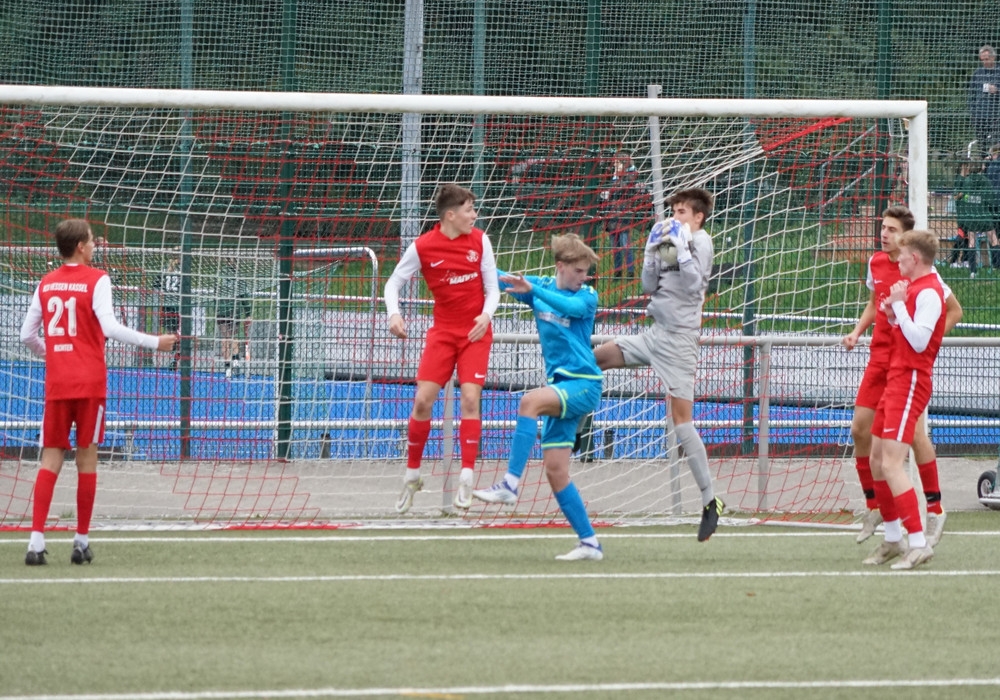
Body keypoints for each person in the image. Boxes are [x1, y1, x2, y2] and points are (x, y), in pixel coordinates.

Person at [19, 219, 177, 566]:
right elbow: (109, 327)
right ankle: (81, 541)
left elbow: (26, 336)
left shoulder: (46, 283)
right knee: (87, 458)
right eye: (91, 240)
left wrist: (54, 354)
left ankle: (35, 543)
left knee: (50, 458)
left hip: (58, 383)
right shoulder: (98, 279)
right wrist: (155, 342)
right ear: (80, 246)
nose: (95, 245)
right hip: (89, 383)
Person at [593, 187, 725, 541]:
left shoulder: (701, 242)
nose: (674, 217)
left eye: (681, 211)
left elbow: (695, 286)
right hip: (655, 334)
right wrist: (650, 254)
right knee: (594, 360)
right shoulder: (669, 240)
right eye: (673, 211)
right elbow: (648, 285)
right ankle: (576, 425)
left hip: (680, 343)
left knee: (682, 424)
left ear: (697, 217)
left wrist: (680, 249)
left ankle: (710, 502)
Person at [473, 234, 605, 561]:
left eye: (586, 271)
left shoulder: (587, 296)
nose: (583, 277)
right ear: (560, 266)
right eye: (578, 271)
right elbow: (499, 278)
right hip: (560, 386)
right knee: (556, 471)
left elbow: (568, 306)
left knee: (529, 402)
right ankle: (590, 543)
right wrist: (469, 258)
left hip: (584, 384)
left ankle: (509, 484)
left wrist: (533, 290)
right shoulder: (541, 286)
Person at [842, 206, 962, 551]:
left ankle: (934, 508)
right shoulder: (876, 263)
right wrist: (856, 332)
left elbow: (954, 310)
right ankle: (875, 508)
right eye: (883, 227)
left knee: (914, 437)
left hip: (907, 364)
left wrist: (927, 342)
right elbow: (873, 303)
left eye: (891, 229)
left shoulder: (922, 271)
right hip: (880, 360)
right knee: (860, 430)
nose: (884, 234)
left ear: (906, 236)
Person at [384, 184, 500, 513]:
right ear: (450, 215)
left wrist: (486, 315)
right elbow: (393, 283)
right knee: (423, 401)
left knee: (470, 398)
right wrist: (393, 313)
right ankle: (412, 476)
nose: (474, 215)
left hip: (475, 333)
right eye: (469, 210)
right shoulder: (423, 246)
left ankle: (467, 478)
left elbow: (493, 289)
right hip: (443, 333)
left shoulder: (480, 241)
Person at [862, 230, 948, 570]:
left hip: (910, 380)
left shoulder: (929, 292)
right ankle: (893, 537)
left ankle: (918, 542)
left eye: (903, 254)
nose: (897, 259)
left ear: (915, 257)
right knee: (876, 459)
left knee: (892, 463)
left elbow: (919, 342)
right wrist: (893, 313)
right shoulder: (913, 288)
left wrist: (898, 305)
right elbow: (905, 332)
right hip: (896, 378)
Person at [600, 152, 648, 278]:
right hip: (611, 216)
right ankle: (618, 271)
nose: (614, 165)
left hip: (623, 215)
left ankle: (630, 271)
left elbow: (623, 187)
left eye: (617, 163)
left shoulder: (629, 177)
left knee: (625, 244)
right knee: (615, 246)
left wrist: (616, 180)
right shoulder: (613, 177)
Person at [953, 159, 997, 276]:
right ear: (981, 167)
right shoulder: (986, 181)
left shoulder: (966, 181)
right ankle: (997, 266)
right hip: (984, 216)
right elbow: (991, 200)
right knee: (993, 239)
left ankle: (973, 270)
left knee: (971, 241)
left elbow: (958, 195)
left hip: (971, 216)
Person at [215, 264, 253, 378]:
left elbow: (215, 295)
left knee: (226, 337)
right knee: (232, 336)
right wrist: (248, 314)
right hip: (233, 310)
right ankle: (235, 360)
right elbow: (245, 298)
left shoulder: (219, 277)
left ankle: (228, 366)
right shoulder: (239, 278)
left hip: (222, 311)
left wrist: (217, 308)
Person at [968, 45, 1000, 154]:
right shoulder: (978, 73)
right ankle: (983, 162)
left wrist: (997, 90)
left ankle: (994, 163)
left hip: (996, 116)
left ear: (993, 57)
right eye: (982, 60)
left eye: (986, 59)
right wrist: (973, 112)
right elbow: (971, 94)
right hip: (979, 116)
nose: (984, 62)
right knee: (982, 145)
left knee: (995, 144)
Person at [156, 256, 182, 370]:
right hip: (177, 305)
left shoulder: (164, 270)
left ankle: (173, 356)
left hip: (167, 305)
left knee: (171, 332)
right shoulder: (182, 271)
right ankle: (174, 356)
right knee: (177, 333)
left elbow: (156, 286)